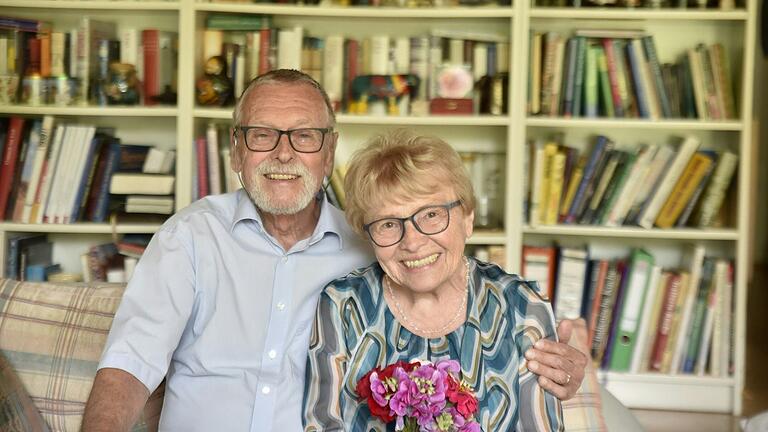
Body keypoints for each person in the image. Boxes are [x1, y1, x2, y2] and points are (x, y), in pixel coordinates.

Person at [82, 70, 586, 432]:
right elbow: (130, 364)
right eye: (263, 136)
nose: (283, 153)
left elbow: (460, 285)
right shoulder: (189, 237)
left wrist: (571, 351)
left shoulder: (370, 242)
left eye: (304, 136)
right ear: (237, 150)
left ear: (328, 152)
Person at [303, 129, 569, 431]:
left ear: (467, 218)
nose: (413, 242)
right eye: (389, 224)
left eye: (431, 215)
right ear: (369, 236)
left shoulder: (522, 307)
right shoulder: (344, 305)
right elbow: (323, 424)